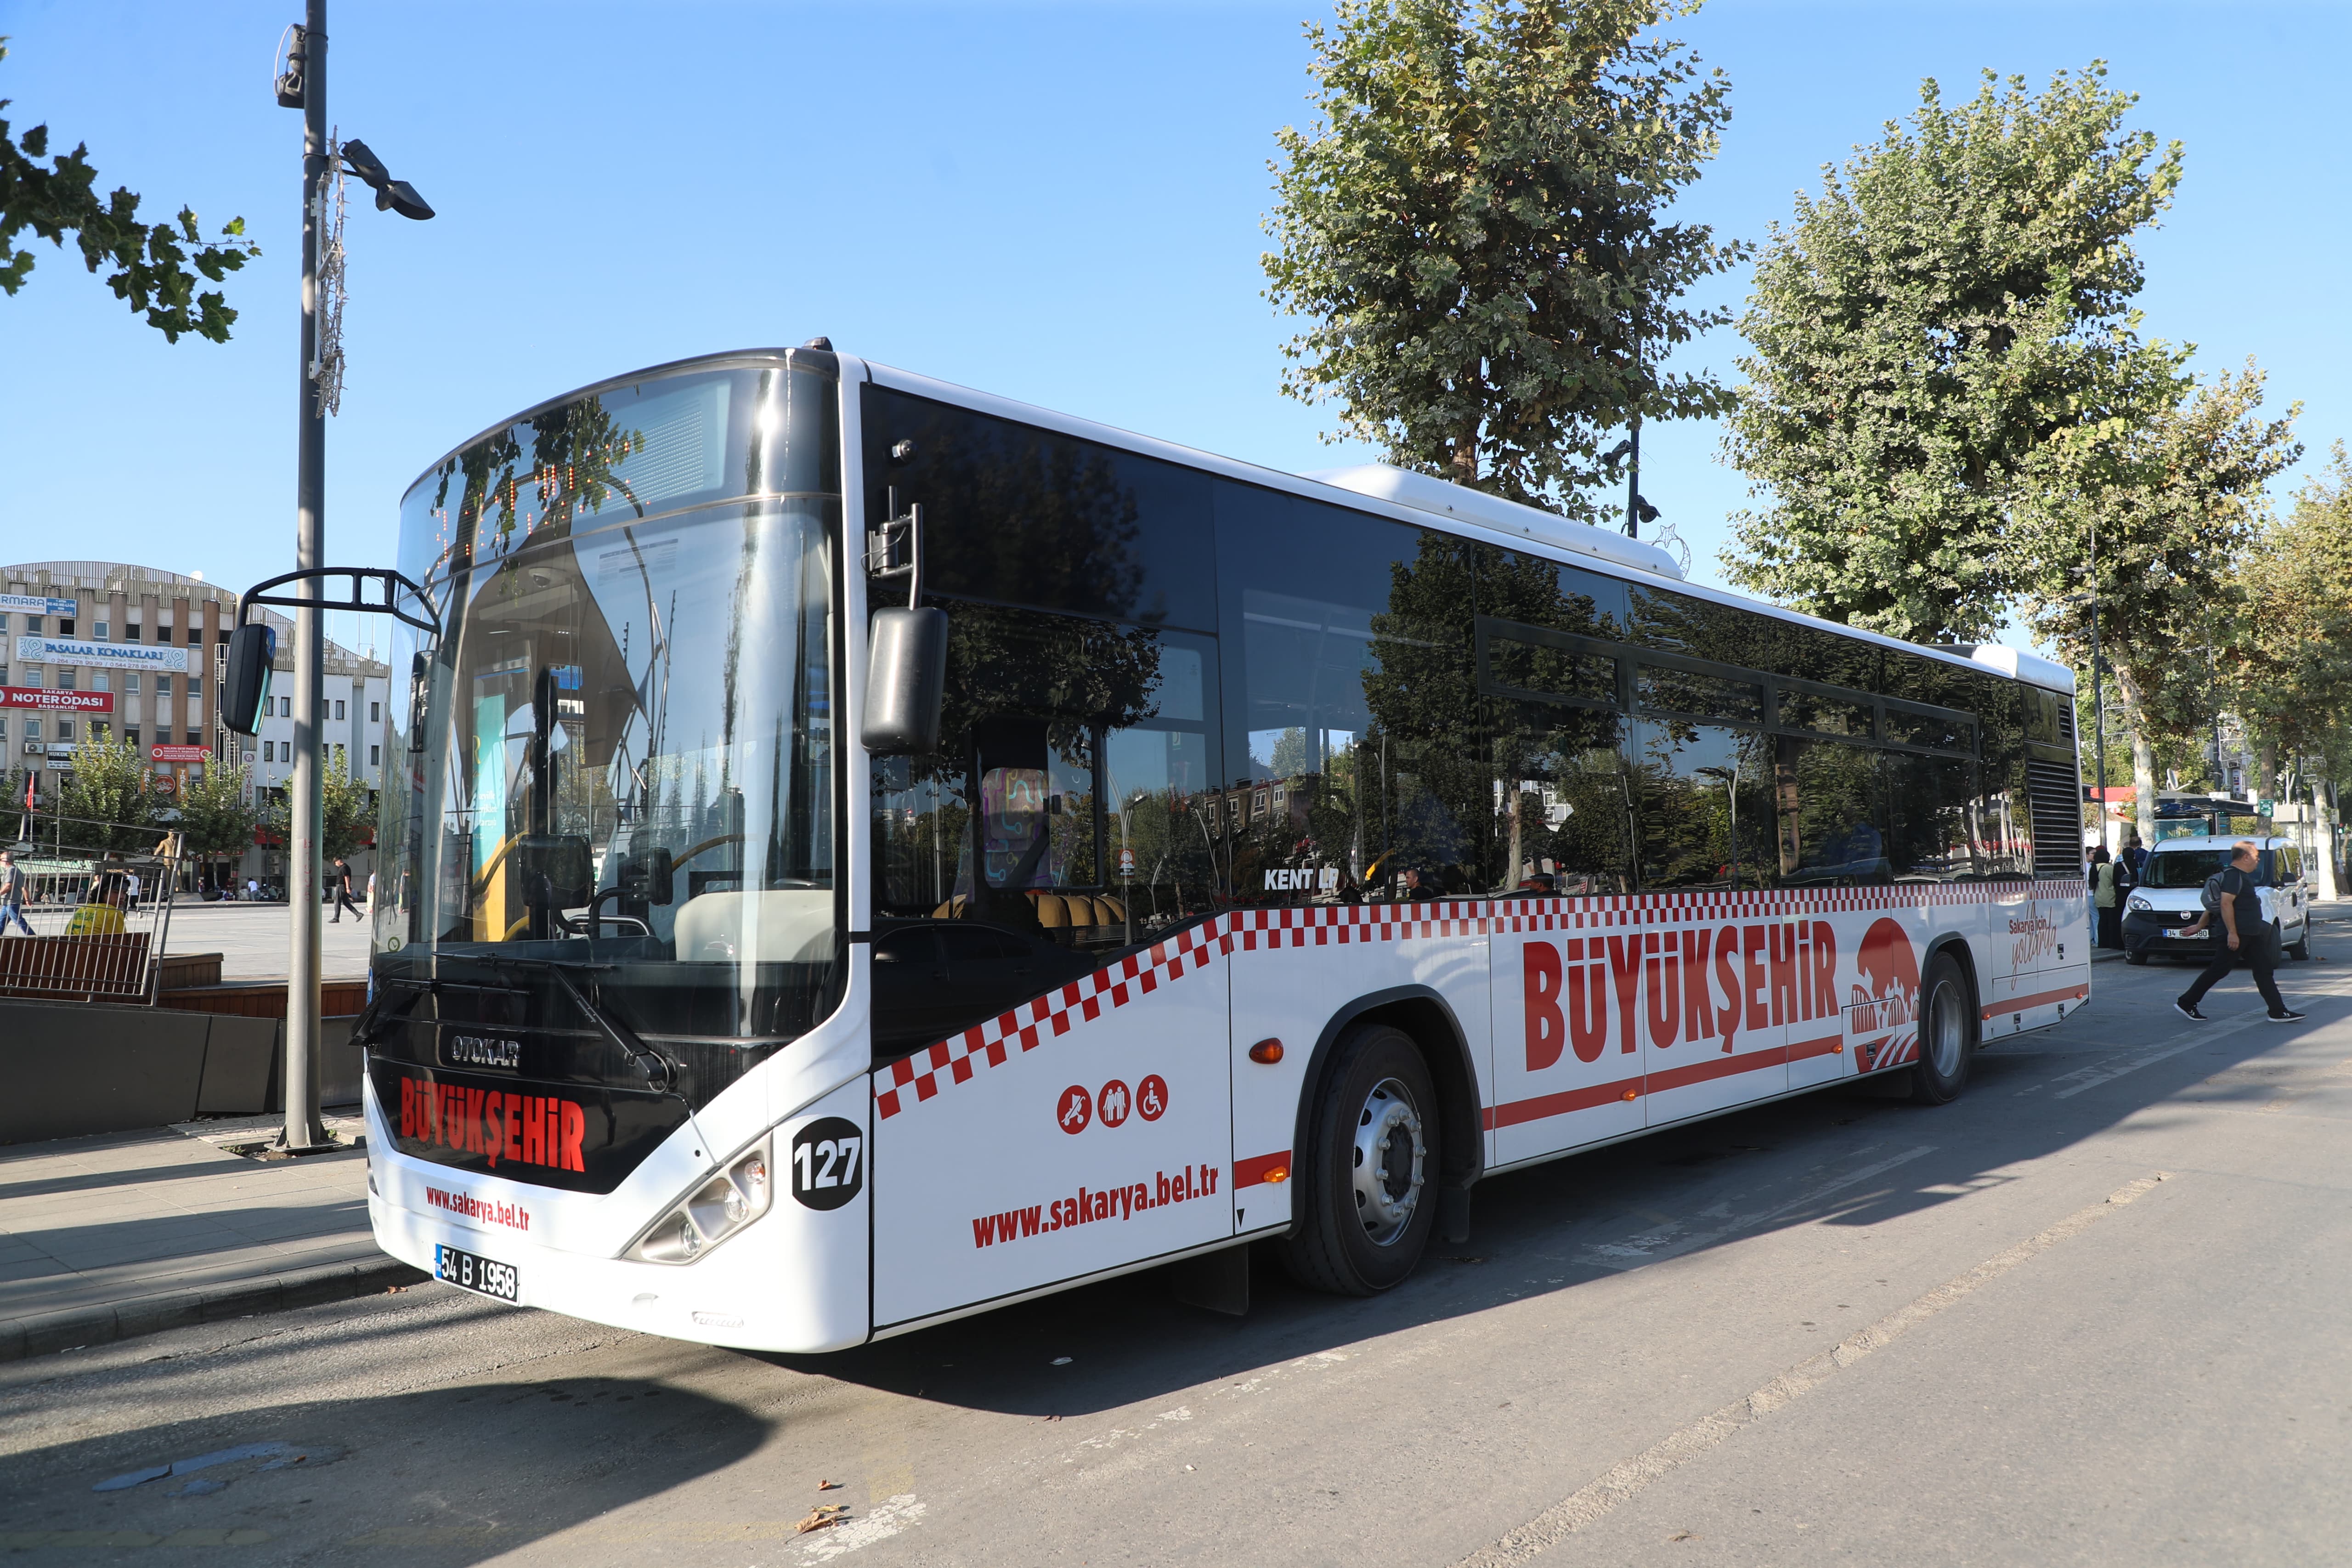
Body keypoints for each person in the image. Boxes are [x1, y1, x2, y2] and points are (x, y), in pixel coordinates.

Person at [2177, 840, 2305, 1023]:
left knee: (2263, 970)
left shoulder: (2240, 876)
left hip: (2251, 934)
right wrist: (2232, 933)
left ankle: (2278, 1011)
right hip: (2239, 933)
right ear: (2245, 857)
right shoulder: (2233, 876)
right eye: (2256, 857)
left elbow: (2214, 907)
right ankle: (2187, 1002)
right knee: (2219, 970)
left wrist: (2199, 926)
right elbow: (2224, 903)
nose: (2258, 861)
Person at [2089, 845, 2125, 950]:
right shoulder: (2108, 868)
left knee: (2102, 921)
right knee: (2112, 921)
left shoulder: (2094, 868)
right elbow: (2115, 882)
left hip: (2098, 897)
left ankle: (2102, 942)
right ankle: (2112, 943)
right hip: (2110, 897)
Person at [0, 850, 32, 937]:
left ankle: (32, 937)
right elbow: (24, 886)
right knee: (1, 922)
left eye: (0, 859)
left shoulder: (10, 871)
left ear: (6, 860)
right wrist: (27, 898)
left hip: (11, 902)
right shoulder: (17, 870)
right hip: (8, 903)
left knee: (19, 921)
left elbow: (8, 886)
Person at [329, 857, 362, 923]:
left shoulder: (344, 868)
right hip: (342, 886)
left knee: (337, 901)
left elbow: (347, 877)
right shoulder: (346, 867)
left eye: (336, 863)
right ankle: (358, 914)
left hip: (341, 886)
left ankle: (336, 918)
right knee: (346, 902)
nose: (336, 865)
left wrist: (348, 888)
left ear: (339, 861)